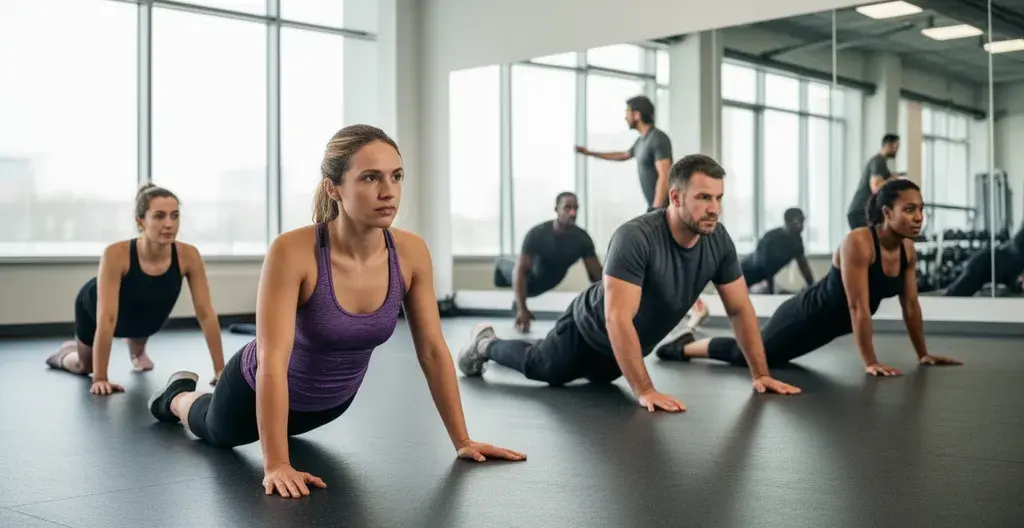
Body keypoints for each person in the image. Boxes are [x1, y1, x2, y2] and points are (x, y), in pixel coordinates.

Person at [145, 124, 525, 500]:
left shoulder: (410, 253)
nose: (388, 191)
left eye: (396, 176)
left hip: (329, 405)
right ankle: (178, 396)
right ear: (334, 187)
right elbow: (272, 361)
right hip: (251, 390)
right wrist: (277, 463)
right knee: (215, 431)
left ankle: (250, 422)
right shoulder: (293, 251)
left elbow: (432, 350)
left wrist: (462, 439)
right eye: (370, 177)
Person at [457, 154, 801, 413]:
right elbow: (617, 319)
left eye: (718, 198)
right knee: (542, 368)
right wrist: (645, 390)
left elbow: (740, 308)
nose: (714, 209)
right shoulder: (635, 237)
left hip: (621, 352)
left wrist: (761, 374)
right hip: (588, 330)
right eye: (703, 198)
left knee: (597, 384)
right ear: (676, 197)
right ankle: (485, 344)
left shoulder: (718, 241)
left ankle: (536, 345)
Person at [658, 179, 963, 375]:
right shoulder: (859, 243)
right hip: (805, 316)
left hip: (828, 328)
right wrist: (871, 362)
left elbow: (911, 306)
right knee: (749, 355)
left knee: (774, 361)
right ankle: (683, 347)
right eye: (909, 209)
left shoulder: (908, 250)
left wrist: (923, 354)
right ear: (886, 212)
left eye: (921, 209)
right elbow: (858, 307)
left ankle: (688, 343)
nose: (919, 217)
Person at [45, 183, 226, 395]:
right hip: (96, 309)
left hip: (142, 314)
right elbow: (107, 318)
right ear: (140, 221)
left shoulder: (189, 255)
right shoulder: (116, 253)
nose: (169, 224)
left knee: (146, 307)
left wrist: (220, 370)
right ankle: (65, 353)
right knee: (85, 367)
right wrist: (101, 377)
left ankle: (136, 350)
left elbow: (205, 313)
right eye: (159, 216)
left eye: (174, 216)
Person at [574, 94, 709, 327]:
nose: (625, 116)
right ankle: (692, 306)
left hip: (665, 208)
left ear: (637, 114)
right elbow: (622, 156)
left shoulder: (658, 139)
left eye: (627, 111)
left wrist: (657, 209)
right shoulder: (642, 141)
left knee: (661, 260)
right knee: (663, 263)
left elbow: (665, 174)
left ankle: (690, 306)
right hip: (658, 208)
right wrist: (590, 153)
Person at [493, 192, 602, 333]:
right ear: (557, 209)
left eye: (576, 208)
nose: (573, 213)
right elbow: (520, 271)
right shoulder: (538, 234)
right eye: (567, 208)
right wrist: (522, 309)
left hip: (547, 282)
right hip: (529, 278)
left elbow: (596, 277)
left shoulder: (582, 239)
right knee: (510, 266)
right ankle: (500, 263)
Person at [741, 207, 814, 293]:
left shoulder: (797, 240)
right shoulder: (771, 238)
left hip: (762, 279)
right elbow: (765, 267)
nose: (802, 226)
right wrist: (771, 293)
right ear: (788, 222)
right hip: (744, 274)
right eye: (798, 221)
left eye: (803, 221)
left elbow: (803, 264)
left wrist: (812, 286)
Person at [847, 134, 903, 230]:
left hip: (863, 211)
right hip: (861, 212)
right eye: (896, 147)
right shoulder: (878, 161)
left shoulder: (880, 161)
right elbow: (876, 188)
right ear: (889, 145)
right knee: (869, 241)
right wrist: (893, 180)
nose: (897, 151)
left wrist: (893, 177)